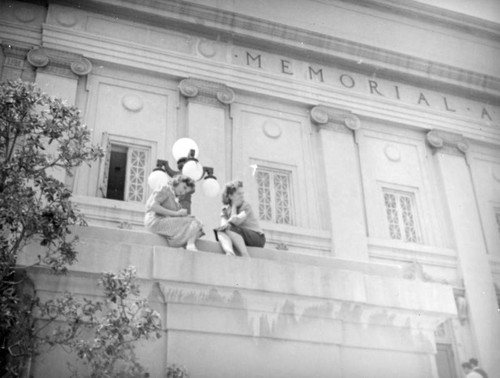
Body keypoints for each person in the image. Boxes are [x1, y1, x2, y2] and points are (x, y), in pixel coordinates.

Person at [145, 174, 204, 251]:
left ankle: (188, 243)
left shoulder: (176, 201)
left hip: (164, 222)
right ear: (178, 181)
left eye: (186, 191)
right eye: (184, 187)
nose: (183, 192)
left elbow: (173, 216)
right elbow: (153, 206)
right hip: (155, 221)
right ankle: (190, 244)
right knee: (194, 222)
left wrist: (181, 215)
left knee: (198, 227)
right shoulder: (165, 188)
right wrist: (176, 214)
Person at [214, 180, 265, 257]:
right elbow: (223, 226)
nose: (242, 196)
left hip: (257, 237)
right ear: (230, 196)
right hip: (241, 236)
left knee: (228, 227)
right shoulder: (225, 209)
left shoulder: (245, 206)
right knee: (220, 231)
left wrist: (234, 206)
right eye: (239, 194)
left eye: (242, 193)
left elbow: (236, 221)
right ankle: (230, 253)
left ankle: (245, 255)